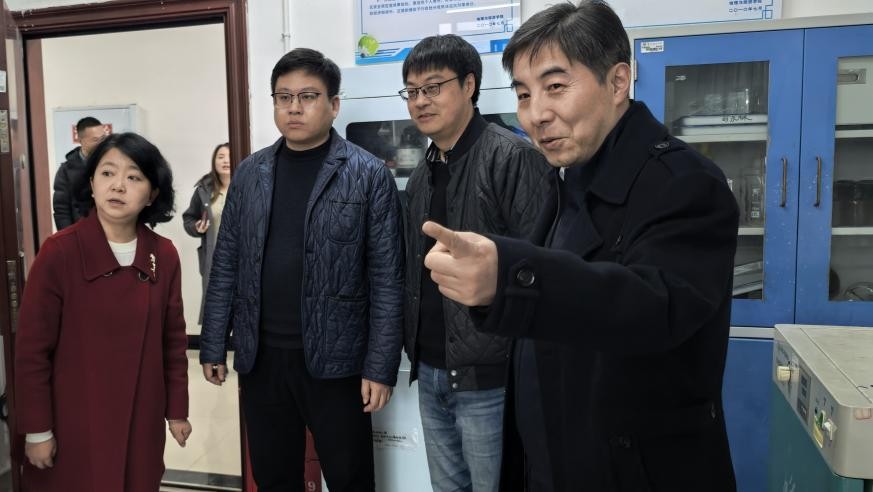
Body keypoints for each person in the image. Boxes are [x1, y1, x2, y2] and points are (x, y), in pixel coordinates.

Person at [421, 2, 739, 490]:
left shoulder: (685, 183)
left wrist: (508, 277)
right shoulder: (567, 179)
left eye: (555, 87)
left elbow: (652, 307)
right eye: (523, 94)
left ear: (618, 81)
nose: (536, 115)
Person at [199, 48, 404, 492]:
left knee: (349, 478)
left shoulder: (368, 174)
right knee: (274, 477)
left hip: (338, 360)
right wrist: (213, 342)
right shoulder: (250, 173)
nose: (294, 107)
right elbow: (226, 261)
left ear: (334, 105)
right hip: (262, 358)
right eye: (283, 97)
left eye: (308, 96)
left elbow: (388, 278)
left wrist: (380, 365)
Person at [399, 34, 550, 492]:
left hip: (491, 377)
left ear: (469, 85)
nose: (420, 101)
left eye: (433, 87)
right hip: (430, 369)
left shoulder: (513, 158)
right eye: (412, 91)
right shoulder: (422, 175)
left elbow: (541, 269)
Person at [15, 132, 191, 492]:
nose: (118, 185)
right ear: (92, 184)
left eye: (134, 177)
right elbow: (32, 351)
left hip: (141, 416)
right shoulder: (59, 252)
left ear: (152, 194)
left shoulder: (163, 254)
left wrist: (177, 411)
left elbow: (172, 341)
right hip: (74, 419)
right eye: (107, 173)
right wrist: (37, 430)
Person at [183, 142, 231, 324]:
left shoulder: (248, 186)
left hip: (243, 258)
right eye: (221, 157)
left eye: (230, 156)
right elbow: (189, 218)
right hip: (214, 259)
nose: (225, 161)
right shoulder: (204, 189)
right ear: (214, 161)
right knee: (215, 313)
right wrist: (197, 227)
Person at [52, 116, 106, 230]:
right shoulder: (66, 170)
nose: (102, 144)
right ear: (81, 140)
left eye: (103, 138)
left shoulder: (111, 164)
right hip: (81, 231)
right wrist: (68, 237)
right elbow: (61, 210)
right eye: (95, 140)